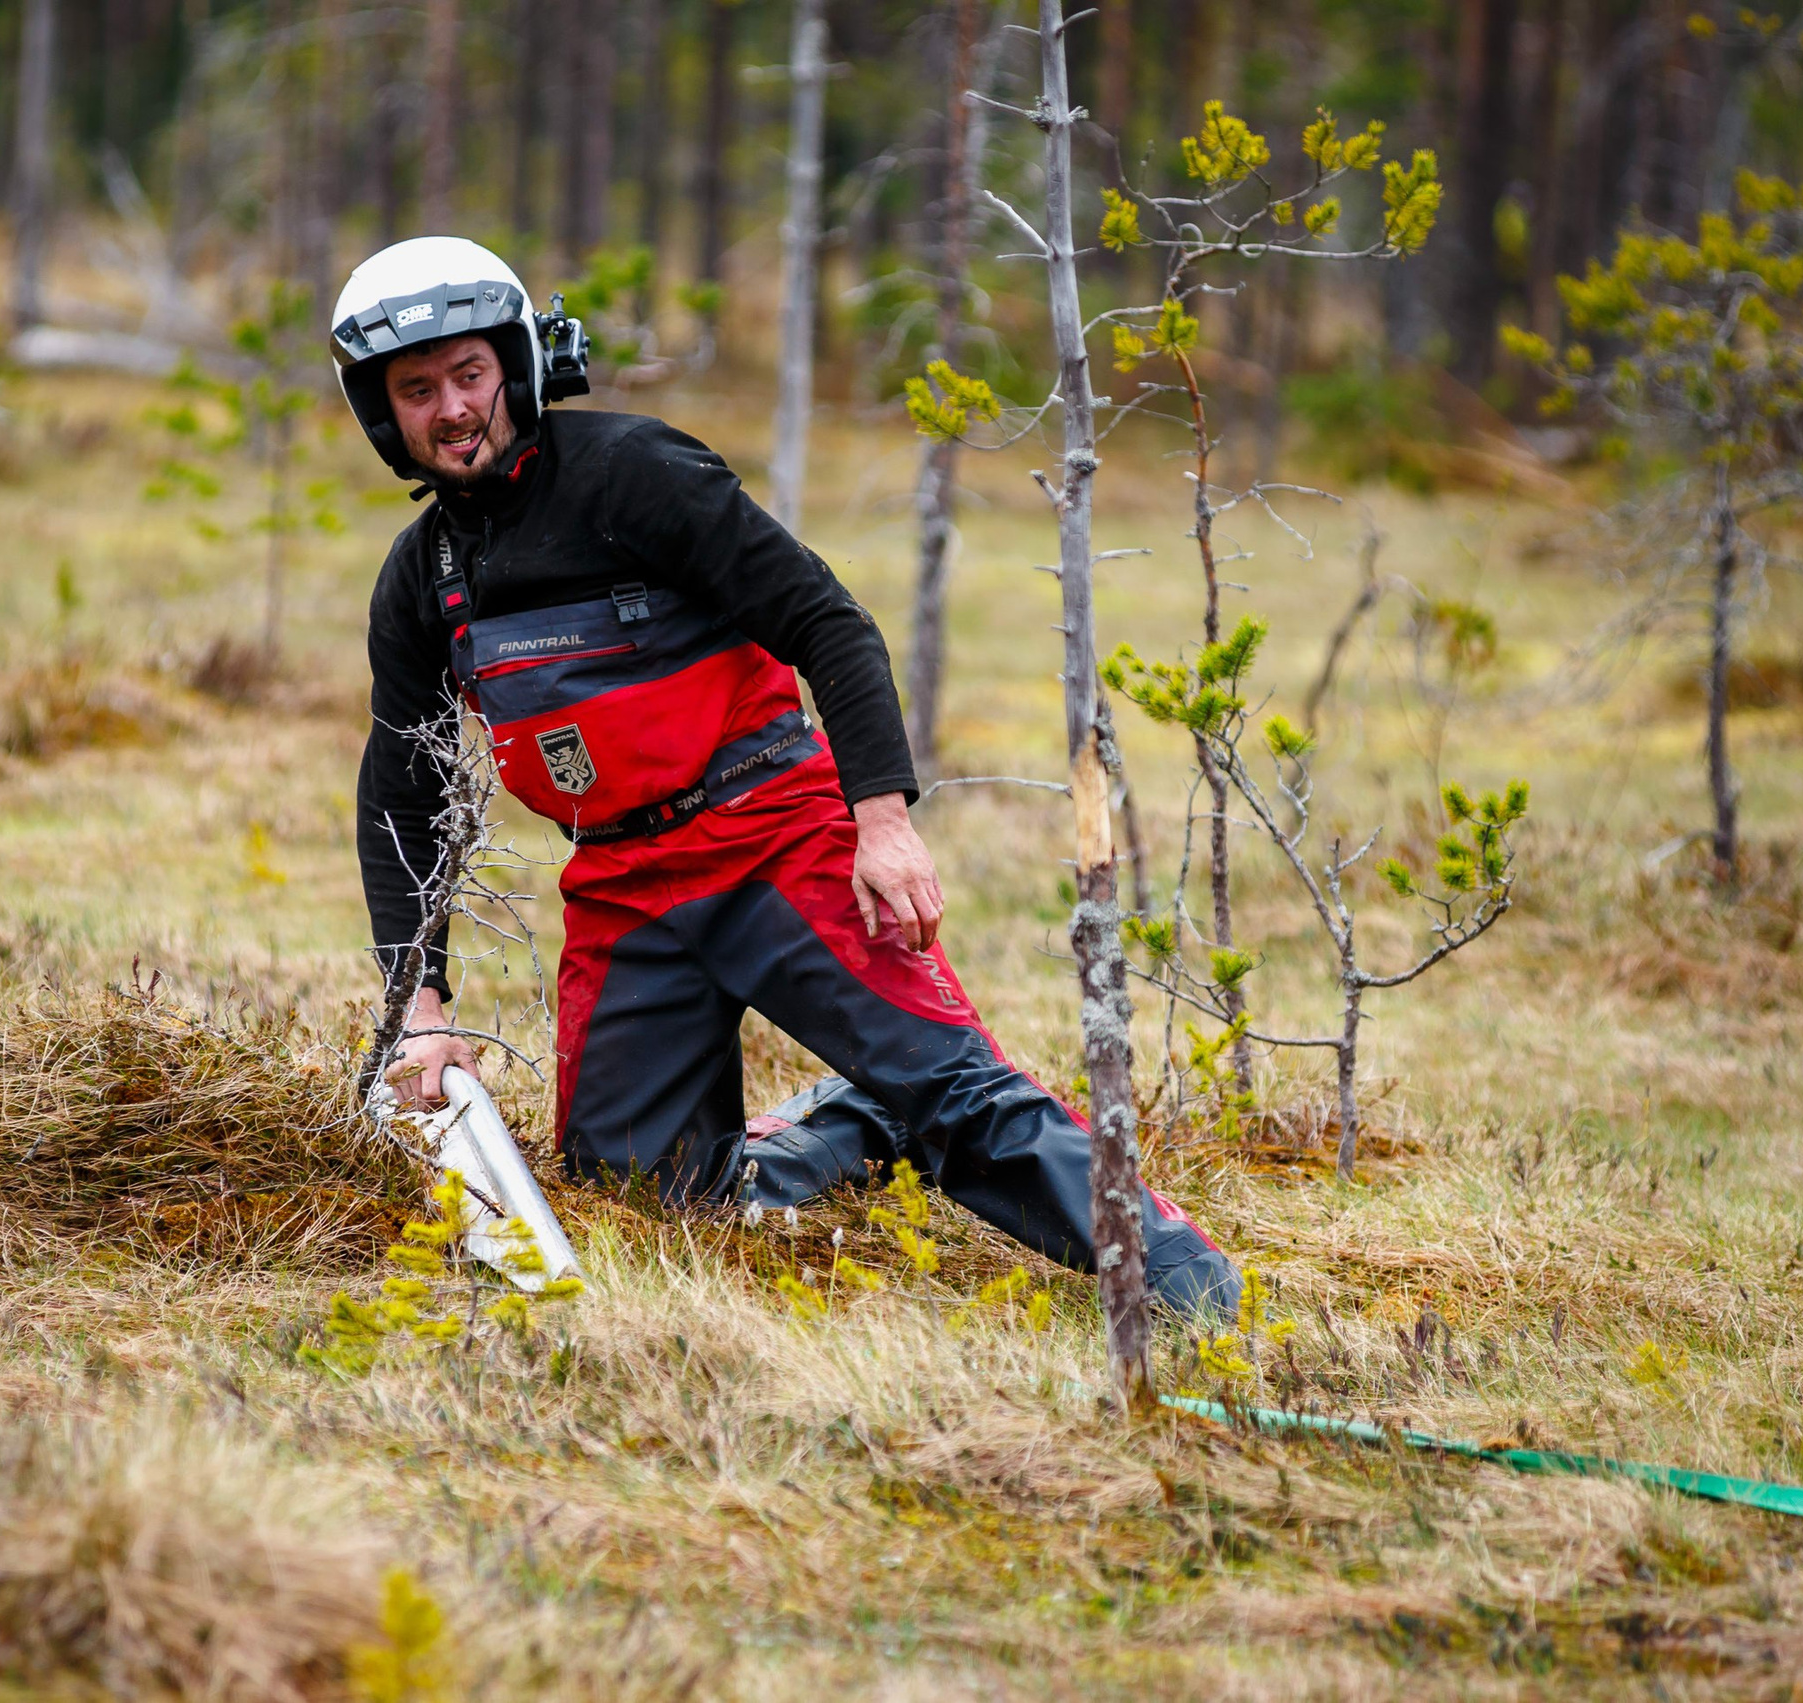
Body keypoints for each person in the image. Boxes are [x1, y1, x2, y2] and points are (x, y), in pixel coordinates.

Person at [334, 236, 1238, 1317]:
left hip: (773, 832)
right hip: (622, 885)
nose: (451, 409)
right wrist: (418, 1001)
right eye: (417, 389)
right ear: (383, 412)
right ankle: (861, 1122)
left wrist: (883, 824)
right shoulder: (420, 577)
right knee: (639, 1198)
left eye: (469, 374)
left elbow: (828, 623)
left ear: (517, 366)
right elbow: (401, 788)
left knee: (954, 1097)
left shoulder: (638, 474)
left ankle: (1194, 1287)